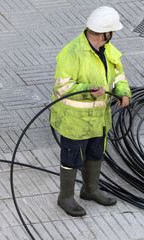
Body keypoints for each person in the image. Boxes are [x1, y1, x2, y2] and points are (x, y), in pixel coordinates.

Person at [50, 6, 132, 217]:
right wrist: (88, 91)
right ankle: (65, 198)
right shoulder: (72, 53)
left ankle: (90, 190)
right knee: (71, 160)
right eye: (113, 31)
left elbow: (119, 77)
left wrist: (124, 93)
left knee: (95, 154)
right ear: (106, 32)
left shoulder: (109, 51)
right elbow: (63, 87)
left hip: (99, 120)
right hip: (75, 122)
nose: (114, 35)